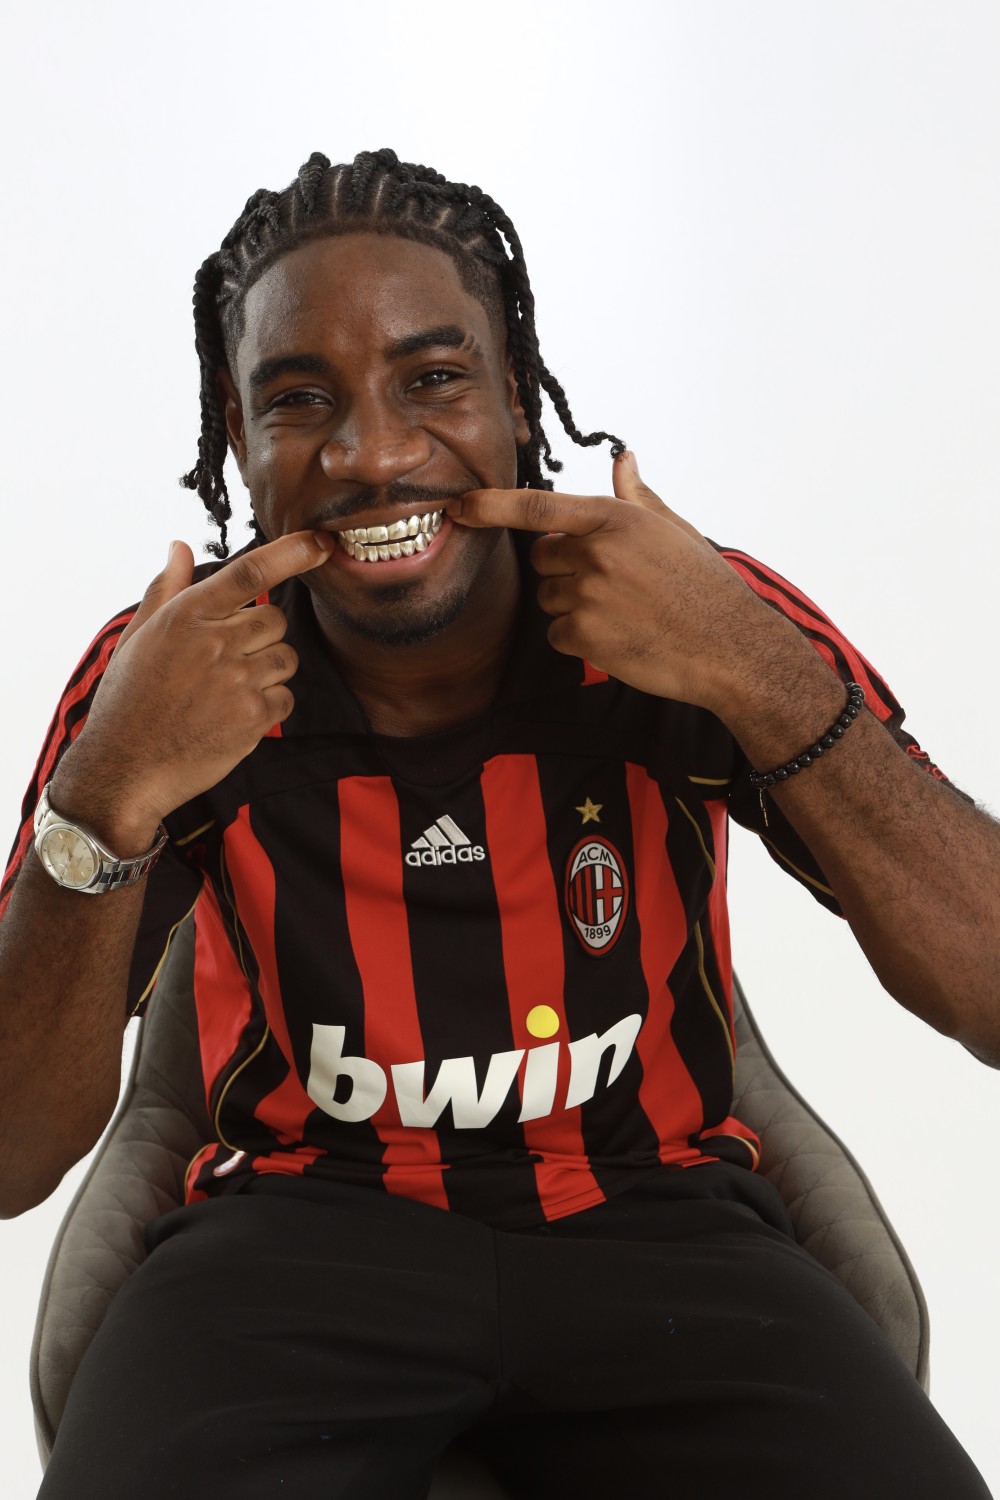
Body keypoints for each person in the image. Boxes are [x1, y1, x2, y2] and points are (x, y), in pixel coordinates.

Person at [0, 148, 994, 1499]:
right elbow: (11, 1155)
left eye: (433, 379)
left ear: (519, 396)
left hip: (659, 1220)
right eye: (299, 400)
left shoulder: (685, 611)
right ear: (236, 437)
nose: (373, 453)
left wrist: (755, 676)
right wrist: (109, 790)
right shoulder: (176, 667)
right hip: (295, 1241)